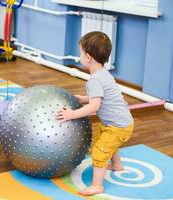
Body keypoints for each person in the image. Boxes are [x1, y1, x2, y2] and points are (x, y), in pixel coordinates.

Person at [56, 31, 134, 196]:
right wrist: (85, 98)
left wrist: (72, 114)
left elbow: (94, 107)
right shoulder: (103, 74)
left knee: (100, 151)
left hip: (118, 126)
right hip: (120, 123)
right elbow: (99, 98)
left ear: (89, 57)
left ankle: (97, 185)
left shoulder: (95, 80)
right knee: (107, 142)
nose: (80, 57)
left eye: (81, 53)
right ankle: (117, 166)